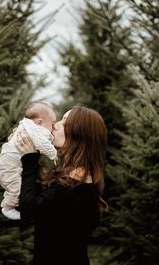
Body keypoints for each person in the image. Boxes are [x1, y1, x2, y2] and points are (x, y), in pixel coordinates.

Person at [16, 106, 107, 265]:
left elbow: (28, 210)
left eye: (64, 122)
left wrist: (29, 160)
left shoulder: (75, 184)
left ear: (80, 135)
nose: (55, 125)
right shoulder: (76, 178)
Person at [0, 102, 57, 220]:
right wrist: (53, 154)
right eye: (52, 124)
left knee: (14, 186)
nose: (53, 128)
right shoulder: (37, 130)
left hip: (8, 164)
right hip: (9, 165)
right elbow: (43, 144)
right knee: (16, 189)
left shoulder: (25, 125)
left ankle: (11, 202)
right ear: (39, 122)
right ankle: (7, 208)